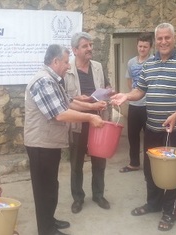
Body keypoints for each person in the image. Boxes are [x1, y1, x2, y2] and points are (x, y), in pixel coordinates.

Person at [111, 22, 176, 231]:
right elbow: (140, 91)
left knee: (174, 173)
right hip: (152, 127)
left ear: (174, 38)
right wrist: (126, 95)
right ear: (156, 41)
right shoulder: (149, 65)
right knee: (152, 168)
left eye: (167, 38)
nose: (163, 42)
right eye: (160, 38)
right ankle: (153, 203)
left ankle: (171, 212)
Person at [24, 44, 107, 235]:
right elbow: (60, 114)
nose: (68, 66)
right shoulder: (44, 81)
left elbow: (68, 102)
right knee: (44, 188)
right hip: (40, 145)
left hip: (49, 143)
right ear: (54, 61)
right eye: (65, 62)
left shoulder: (54, 80)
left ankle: (49, 221)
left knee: (51, 185)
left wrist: (91, 106)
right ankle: (45, 230)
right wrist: (91, 117)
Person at [64, 32, 112, 214]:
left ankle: (98, 195)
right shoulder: (67, 71)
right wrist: (79, 100)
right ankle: (78, 198)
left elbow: (107, 88)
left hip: (98, 121)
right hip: (77, 123)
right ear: (75, 50)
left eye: (90, 45)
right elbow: (64, 98)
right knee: (76, 164)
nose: (90, 49)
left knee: (99, 161)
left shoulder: (98, 67)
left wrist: (108, 93)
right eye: (85, 46)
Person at [119, 32, 153, 173]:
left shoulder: (154, 61)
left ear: (150, 47)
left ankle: (150, 165)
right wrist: (133, 95)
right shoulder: (131, 62)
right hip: (134, 105)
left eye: (145, 46)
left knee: (149, 137)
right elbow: (129, 80)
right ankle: (134, 163)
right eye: (140, 46)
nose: (142, 49)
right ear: (137, 46)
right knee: (132, 135)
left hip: (148, 106)